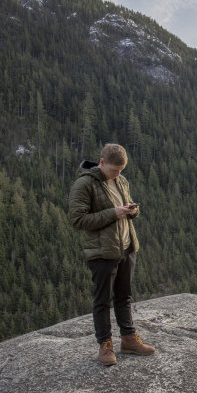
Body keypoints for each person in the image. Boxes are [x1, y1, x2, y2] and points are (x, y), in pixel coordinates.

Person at [69, 143, 155, 366]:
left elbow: (124, 209)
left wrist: (132, 211)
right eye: (114, 170)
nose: (118, 174)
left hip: (126, 247)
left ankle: (128, 339)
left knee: (124, 296)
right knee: (102, 300)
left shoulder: (121, 180)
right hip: (102, 252)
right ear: (102, 162)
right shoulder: (85, 184)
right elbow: (77, 220)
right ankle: (105, 345)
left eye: (121, 170)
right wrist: (113, 213)